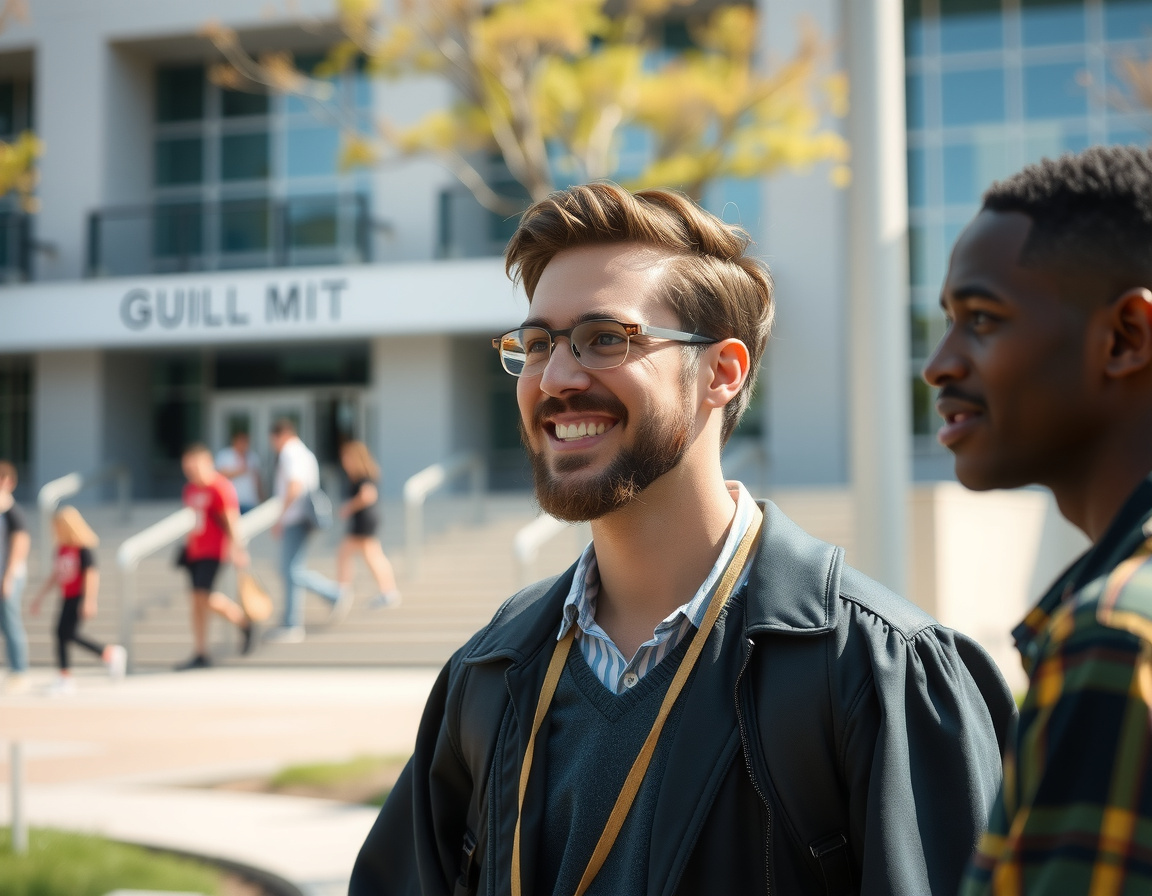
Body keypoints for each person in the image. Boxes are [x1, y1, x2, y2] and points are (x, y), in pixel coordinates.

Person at [351, 183, 1016, 896]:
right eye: (538, 343)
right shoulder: (490, 670)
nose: (557, 377)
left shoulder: (876, 670)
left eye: (606, 339)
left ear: (722, 373)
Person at [922, 145, 1152, 894]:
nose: (939, 364)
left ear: (1125, 337)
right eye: (947, 321)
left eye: (982, 319)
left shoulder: (1117, 635)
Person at [265, 418, 347, 643]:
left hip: (295, 518)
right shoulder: (305, 453)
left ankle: (328, 598)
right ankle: (295, 619)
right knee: (291, 570)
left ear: (279, 436)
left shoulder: (289, 453)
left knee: (290, 571)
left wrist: (280, 518)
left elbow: (294, 486)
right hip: (304, 518)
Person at [30, 506, 125, 695]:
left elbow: (91, 575)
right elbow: (56, 575)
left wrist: (89, 600)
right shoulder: (61, 549)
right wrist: (40, 597)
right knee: (62, 633)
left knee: (67, 633)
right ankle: (104, 655)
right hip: (66, 596)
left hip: (79, 596)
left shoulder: (82, 549)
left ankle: (103, 656)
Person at [176, 443, 253, 670]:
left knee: (204, 596)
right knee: (196, 601)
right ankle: (200, 651)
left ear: (207, 463)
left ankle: (242, 620)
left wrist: (238, 548)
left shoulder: (220, 487)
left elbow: (231, 520)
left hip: (214, 550)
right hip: (194, 551)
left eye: (195, 466)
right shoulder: (190, 489)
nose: (192, 471)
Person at [337, 440, 401, 609]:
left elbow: (368, 496)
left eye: (347, 458)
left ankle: (342, 592)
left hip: (364, 520)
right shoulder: (365, 476)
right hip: (366, 519)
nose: (344, 461)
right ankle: (388, 591)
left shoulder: (363, 478)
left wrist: (348, 507)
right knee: (372, 556)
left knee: (347, 554)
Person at [0, 460, 30, 694]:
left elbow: (20, 545)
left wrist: (8, 578)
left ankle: (19, 671)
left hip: (9, 576)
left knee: (11, 624)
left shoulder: (12, 512)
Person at [215, 430, 262, 515]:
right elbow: (219, 475)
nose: (243, 444)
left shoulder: (253, 457)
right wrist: (240, 471)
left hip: (250, 501)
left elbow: (257, 480)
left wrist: (261, 498)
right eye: (241, 441)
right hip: (230, 502)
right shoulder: (225, 455)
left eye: (245, 441)